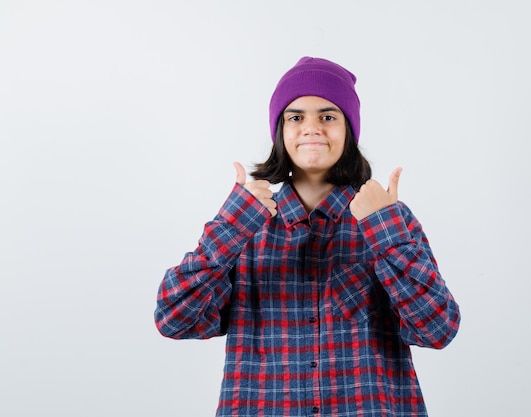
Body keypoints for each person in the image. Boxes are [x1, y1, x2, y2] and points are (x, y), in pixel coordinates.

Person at [154, 56, 460, 417]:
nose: (311, 127)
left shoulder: (389, 220)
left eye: (328, 116)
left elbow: (438, 329)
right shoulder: (245, 226)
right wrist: (232, 227)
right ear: (280, 132)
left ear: (348, 130)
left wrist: (385, 229)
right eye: (296, 117)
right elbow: (175, 319)